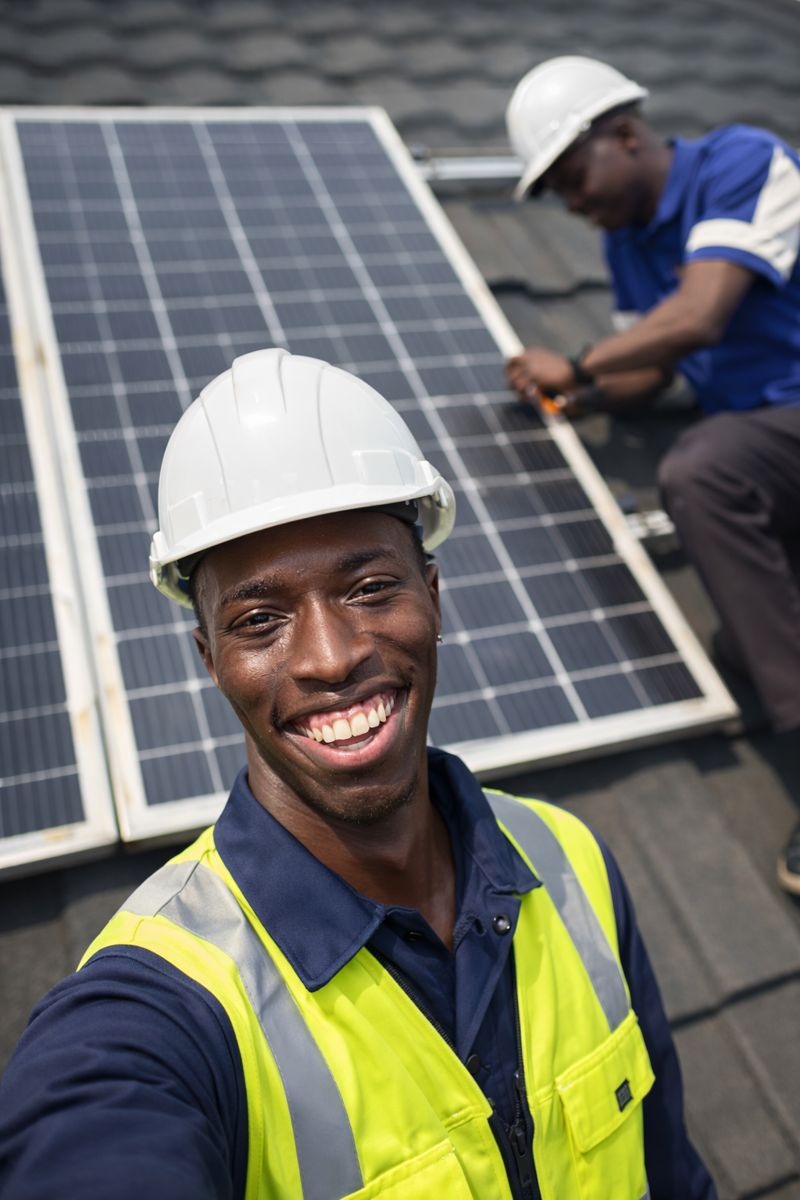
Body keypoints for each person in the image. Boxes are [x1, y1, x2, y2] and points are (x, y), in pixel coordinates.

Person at [0, 348, 715, 1198]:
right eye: (260, 619)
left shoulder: (569, 862)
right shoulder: (157, 1013)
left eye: (372, 588)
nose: (332, 658)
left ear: (434, 595)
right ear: (211, 657)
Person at [504, 56, 800, 894]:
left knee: (700, 470)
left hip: (780, 425)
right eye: (556, 192)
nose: (571, 202)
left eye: (572, 177)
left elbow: (698, 317)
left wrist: (583, 358)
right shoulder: (627, 243)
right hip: (776, 449)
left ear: (626, 134)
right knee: (743, 644)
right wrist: (579, 388)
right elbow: (652, 372)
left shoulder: (744, 161)